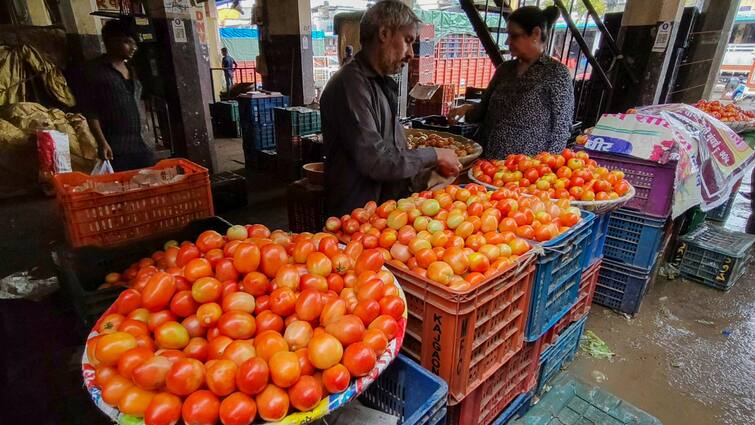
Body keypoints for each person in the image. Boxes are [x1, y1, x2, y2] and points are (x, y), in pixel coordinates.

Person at [320, 0, 460, 216]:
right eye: (408, 40)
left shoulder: (379, 83)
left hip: (382, 215)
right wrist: (434, 154)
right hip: (356, 219)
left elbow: (393, 153)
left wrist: (428, 174)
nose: (411, 53)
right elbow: (376, 160)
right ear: (384, 33)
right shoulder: (350, 85)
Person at [448, 6, 574, 159]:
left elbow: (561, 129)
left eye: (514, 36)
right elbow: (482, 110)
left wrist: (547, 167)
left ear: (535, 33)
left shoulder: (556, 74)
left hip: (527, 169)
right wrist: (466, 110)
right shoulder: (504, 70)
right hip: (488, 162)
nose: (508, 41)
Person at [81, 19, 154, 171]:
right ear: (110, 42)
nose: (133, 47)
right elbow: (91, 111)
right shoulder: (95, 71)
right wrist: (102, 143)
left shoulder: (131, 70)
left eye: (134, 43)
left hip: (141, 144)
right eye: (128, 42)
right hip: (115, 147)